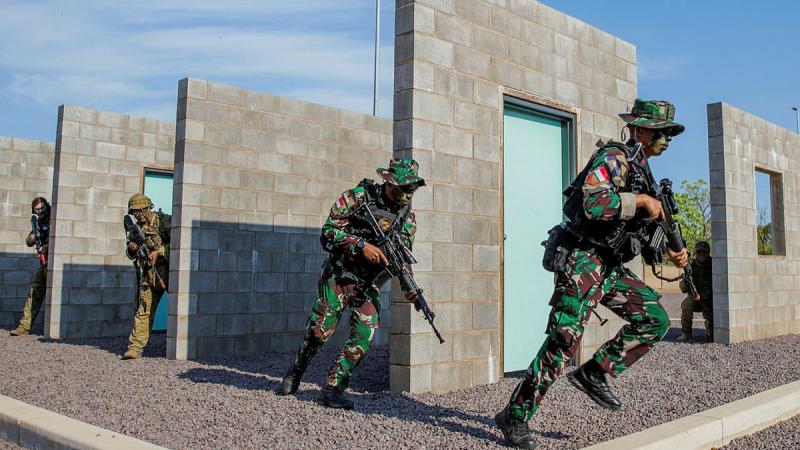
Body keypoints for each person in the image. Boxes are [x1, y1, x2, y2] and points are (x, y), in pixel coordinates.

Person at [495, 99, 690, 449]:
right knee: (564, 340)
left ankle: (595, 372)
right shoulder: (615, 158)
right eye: (662, 133)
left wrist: (670, 248)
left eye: (670, 135)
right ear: (640, 129)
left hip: (609, 265)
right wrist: (641, 203)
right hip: (583, 258)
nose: (667, 140)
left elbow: (639, 239)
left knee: (654, 318)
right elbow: (594, 205)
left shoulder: (642, 172)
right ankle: (515, 415)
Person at [278, 158, 424, 410]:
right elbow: (328, 232)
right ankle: (297, 369)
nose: (407, 193)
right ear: (389, 183)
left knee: (362, 337)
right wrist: (360, 245)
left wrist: (410, 286)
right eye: (403, 188)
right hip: (340, 274)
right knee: (318, 333)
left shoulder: (407, 218)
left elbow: (402, 258)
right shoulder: (358, 198)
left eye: (412, 189)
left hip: (369, 283)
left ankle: (333, 389)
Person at [122, 193, 170, 360]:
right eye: (134, 212)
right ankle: (135, 347)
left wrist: (160, 252)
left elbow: (180, 244)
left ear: (147, 208)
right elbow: (129, 254)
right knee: (143, 311)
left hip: (169, 273)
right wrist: (132, 248)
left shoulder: (164, 222)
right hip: (149, 274)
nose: (137, 215)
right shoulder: (136, 230)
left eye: (139, 211)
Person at [10, 197, 51, 336]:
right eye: (36, 210)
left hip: (54, 262)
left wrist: (47, 247)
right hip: (44, 263)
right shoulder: (38, 222)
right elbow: (29, 241)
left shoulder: (54, 219)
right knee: (34, 293)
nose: (39, 212)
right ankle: (24, 326)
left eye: (41, 209)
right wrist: (32, 238)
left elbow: (62, 239)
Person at [677, 240, 713, 342]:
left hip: (710, 301)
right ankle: (686, 333)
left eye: (704, 252)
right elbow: (683, 290)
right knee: (686, 304)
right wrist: (686, 280)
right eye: (699, 252)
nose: (702, 254)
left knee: (712, 336)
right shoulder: (690, 267)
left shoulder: (714, 265)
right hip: (695, 299)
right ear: (695, 253)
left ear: (708, 252)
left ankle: (709, 328)